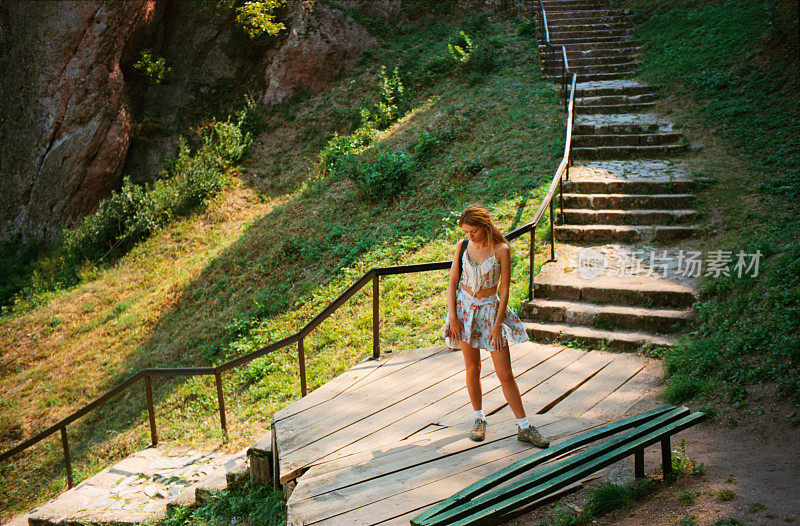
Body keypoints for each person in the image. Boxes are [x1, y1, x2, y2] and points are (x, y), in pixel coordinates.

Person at [443, 204, 549, 448]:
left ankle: (524, 427)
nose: (469, 235)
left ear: (485, 226)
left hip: (491, 312)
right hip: (464, 311)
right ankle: (479, 419)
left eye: (473, 231)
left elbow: (505, 290)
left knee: (505, 374)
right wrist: (454, 318)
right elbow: (452, 284)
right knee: (472, 368)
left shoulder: (502, 249)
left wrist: (497, 324)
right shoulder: (463, 246)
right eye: (466, 231)